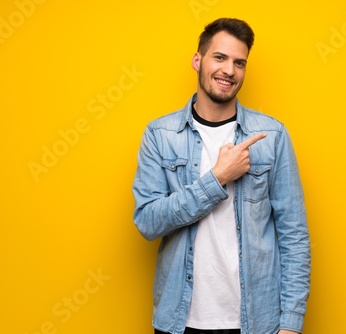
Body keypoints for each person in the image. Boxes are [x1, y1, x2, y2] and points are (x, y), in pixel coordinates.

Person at [132, 17, 311, 334]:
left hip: (257, 322)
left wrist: (291, 323)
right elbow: (147, 221)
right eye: (220, 57)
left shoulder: (272, 135)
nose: (229, 70)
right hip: (180, 320)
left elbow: (294, 235)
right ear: (197, 60)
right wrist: (216, 179)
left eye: (239, 62)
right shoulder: (160, 134)